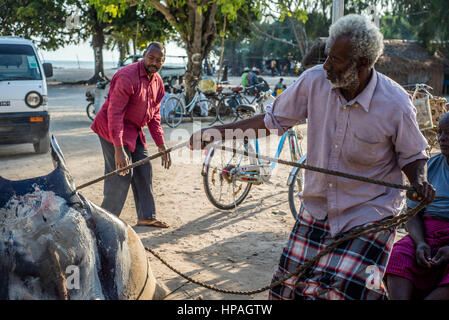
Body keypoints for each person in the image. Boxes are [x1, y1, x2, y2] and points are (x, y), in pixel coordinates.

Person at [189, 14, 435, 300]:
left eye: (337, 60)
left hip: (369, 213)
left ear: (363, 64)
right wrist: (216, 132)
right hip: (317, 208)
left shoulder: (395, 103)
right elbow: (271, 121)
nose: (327, 65)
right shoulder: (314, 81)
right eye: (328, 56)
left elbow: (413, 156)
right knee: (284, 292)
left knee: (338, 293)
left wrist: (419, 180)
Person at [91, 42, 171, 228]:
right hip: (112, 128)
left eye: (159, 60)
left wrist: (161, 144)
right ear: (144, 55)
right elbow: (115, 114)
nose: (154, 62)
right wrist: (119, 149)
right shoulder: (126, 76)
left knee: (144, 168)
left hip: (134, 130)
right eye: (151, 58)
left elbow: (154, 116)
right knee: (122, 173)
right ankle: (106, 222)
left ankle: (146, 216)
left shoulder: (158, 82)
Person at [384, 112, 449, 300]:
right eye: (440, 133)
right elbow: (412, 213)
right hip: (426, 233)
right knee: (398, 255)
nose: (443, 139)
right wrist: (420, 242)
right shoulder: (430, 167)